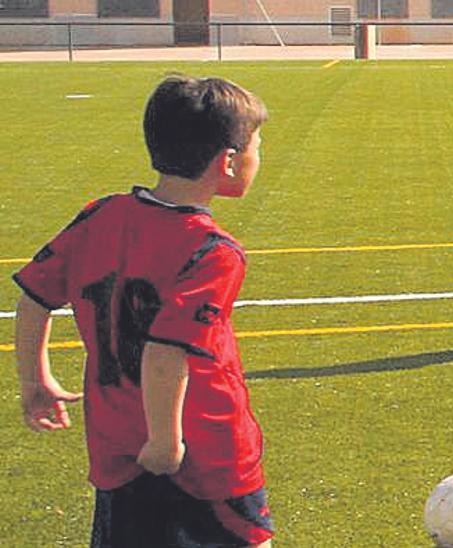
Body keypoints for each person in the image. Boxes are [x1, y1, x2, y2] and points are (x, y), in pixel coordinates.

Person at [12, 76, 274, 547]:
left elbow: (33, 297)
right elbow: (164, 352)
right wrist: (166, 441)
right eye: (258, 145)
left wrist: (35, 381)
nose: (261, 156)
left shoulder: (100, 216)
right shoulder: (213, 251)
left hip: (118, 451)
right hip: (205, 454)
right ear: (229, 162)